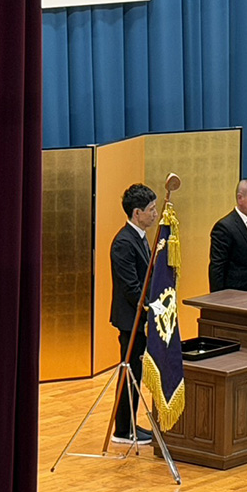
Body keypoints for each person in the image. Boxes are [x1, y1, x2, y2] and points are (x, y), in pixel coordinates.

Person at [109, 183, 159, 445]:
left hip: (141, 318)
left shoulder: (139, 237)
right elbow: (131, 288)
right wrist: (151, 307)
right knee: (129, 373)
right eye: (151, 209)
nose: (155, 213)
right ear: (137, 213)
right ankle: (123, 430)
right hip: (131, 320)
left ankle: (130, 424)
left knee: (136, 373)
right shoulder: (123, 242)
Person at [209, 178, 247, 292]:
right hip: (234, 294)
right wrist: (217, 298)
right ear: (240, 198)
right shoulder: (224, 227)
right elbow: (217, 268)